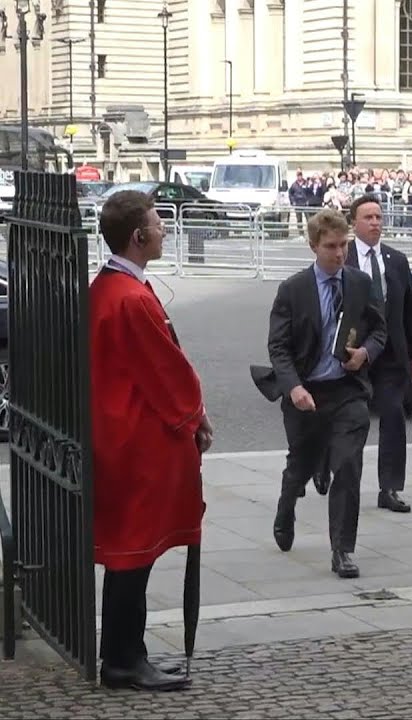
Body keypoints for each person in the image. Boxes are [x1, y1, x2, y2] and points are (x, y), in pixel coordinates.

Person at [90, 190, 212, 691]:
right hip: (135, 440)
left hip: (118, 432)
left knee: (129, 554)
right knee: (132, 555)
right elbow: (166, 372)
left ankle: (126, 651)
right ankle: (122, 659)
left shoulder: (110, 287)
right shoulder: (131, 297)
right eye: (159, 225)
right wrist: (195, 417)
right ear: (139, 237)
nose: (165, 231)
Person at [264, 208, 387, 578]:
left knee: (348, 467)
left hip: (346, 391)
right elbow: (278, 347)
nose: (339, 253)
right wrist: (295, 387)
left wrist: (365, 353)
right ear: (313, 246)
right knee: (300, 464)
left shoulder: (359, 283)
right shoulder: (293, 290)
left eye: (343, 245)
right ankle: (287, 506)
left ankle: (342, 550)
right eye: (331, 246)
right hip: (307, 392)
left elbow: (379, 331)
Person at [311, 195, 412, 512]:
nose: (375, 222)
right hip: (350, 356)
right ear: (353, 224)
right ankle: (331, 468)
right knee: (348, 421)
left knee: (392, 417)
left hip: (390, 356)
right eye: (368, 217)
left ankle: (389, 487)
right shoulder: (340, 259)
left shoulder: (396, 260)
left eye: (378, 216)